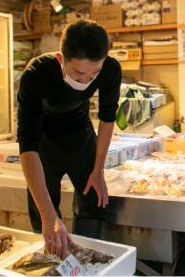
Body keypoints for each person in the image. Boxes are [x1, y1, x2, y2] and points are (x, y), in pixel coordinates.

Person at [17, 19, 122, 258]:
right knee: (44, 209)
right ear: (61, 59)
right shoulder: (37, 74)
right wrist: (48, 215)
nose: (85, 82)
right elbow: (27, 145)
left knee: (94, 199)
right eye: (78, 73)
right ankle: (52, 262)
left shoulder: (110, 69)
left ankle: (86, 261)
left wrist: (99, 170)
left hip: (80, 134)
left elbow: (107, 120)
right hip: (44, 141)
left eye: (94, 73)